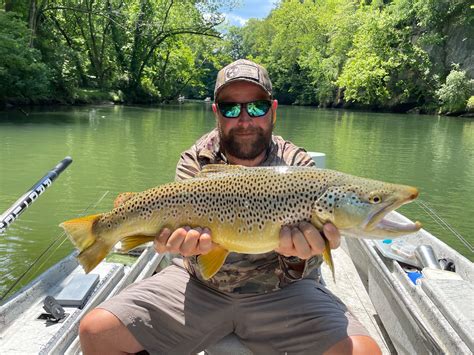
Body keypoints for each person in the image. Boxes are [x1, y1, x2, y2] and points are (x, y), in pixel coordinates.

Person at [79, 59, 381, 354]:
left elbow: (305, 265)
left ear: (273, 110)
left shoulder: (298, 166)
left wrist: (297, 257)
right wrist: (181, 245)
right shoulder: (195, 160)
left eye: (258, 106)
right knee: (96, 331)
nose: (245, 119)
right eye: (231, 108)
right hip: (200, 288)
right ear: (216, 112)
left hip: (283, 293)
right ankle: (99, 233)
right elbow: (191, 250)